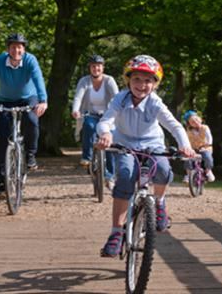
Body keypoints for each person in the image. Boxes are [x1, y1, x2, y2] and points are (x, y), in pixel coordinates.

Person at [95, 55, 195, 257]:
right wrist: (105, 133)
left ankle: (159, 202)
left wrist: (185, 146)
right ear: (128, 81)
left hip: (152, 144)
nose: (142, 85)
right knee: (125, 175)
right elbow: (105, 121)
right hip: (125, 143)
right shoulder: (119, 99)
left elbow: (175, 126)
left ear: (155, 85)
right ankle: (116, 232)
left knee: (164, 170)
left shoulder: (155, 103)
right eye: (137, 79)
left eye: (148, 80)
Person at [0, 33, 48, 199]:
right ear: (8, 48)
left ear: (24, 49)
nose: (16, 50)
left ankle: (30, 155)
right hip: (5, 100)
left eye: (20, 46)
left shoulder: (30, 60)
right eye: (13, 46)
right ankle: (2, 183)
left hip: (28, 98)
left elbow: (39, 80)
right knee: (3, 138)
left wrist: (43, 101)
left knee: (31, 120)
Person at [71, 54, 119, 189]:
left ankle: (110, 176)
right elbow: (78, 97)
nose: (95, 69)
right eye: (93, 66)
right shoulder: (84, 81)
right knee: (88, 126)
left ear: (102, 68)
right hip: (91, 114)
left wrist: (120, 112)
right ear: (90, 68)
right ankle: (87, 157)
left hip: (108, 116)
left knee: (110, 143)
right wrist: (76, 110)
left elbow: (117, 98)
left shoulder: (109, 81)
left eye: (98, 66)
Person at [182, 110, 215, 183]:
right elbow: (185, 139)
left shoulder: (205, 128)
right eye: (192, 122)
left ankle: (208, 171)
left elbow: (209, 137)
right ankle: (188, 174)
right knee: (187, 158)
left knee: (207, 157)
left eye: (196, 120)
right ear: (189, 124)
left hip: (205, 148)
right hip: (193, 148)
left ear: (200, 119)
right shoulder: (188, 131)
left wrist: (208, 144)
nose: (195, 122)